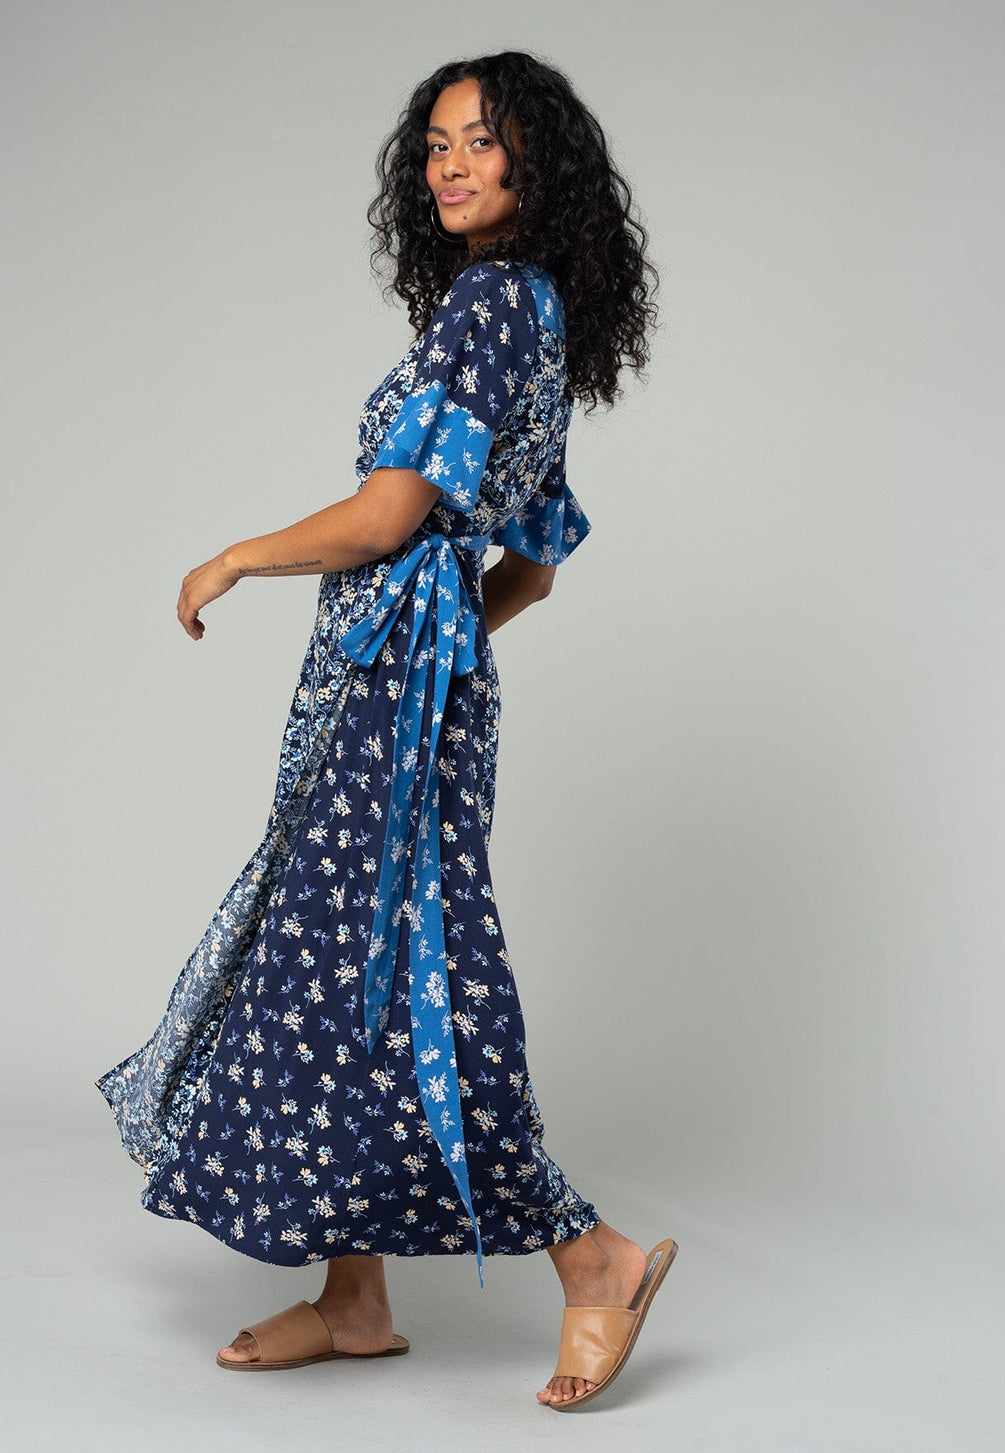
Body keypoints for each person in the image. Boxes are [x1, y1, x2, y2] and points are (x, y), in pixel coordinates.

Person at [96, 49, 674, 1411]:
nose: (451, 166)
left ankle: (592, 1255)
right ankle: (354, 1297)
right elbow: (532, 563)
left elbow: (388, 517)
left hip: (392, 705)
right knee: (337, 965)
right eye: (436, 145)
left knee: (417, 973)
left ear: (537, 162)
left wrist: (234, 557)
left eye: (482, 141)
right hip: (401, 686)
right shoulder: (532, 311)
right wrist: (444, 638)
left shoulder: (490, 305)